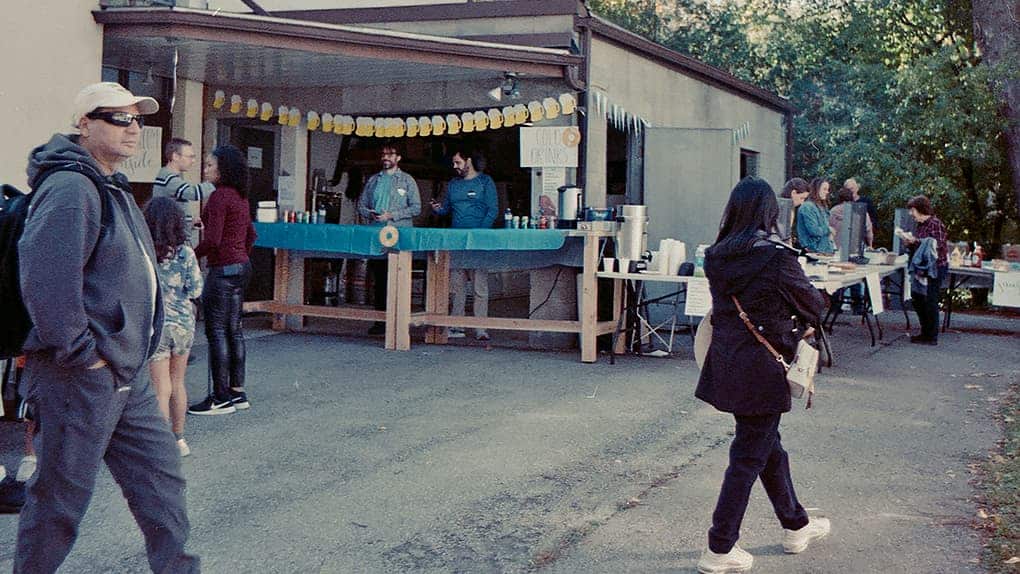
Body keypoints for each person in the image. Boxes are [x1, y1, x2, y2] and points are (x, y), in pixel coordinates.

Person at [16, 81, 199, 572]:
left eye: (137, 119)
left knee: (162, 484)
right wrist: (85, 355)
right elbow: (46, 284)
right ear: (84, 124)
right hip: (82, 376)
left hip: (126, 374)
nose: (133, 128)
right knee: (59, 505)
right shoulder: (71, 188)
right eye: (118, 118)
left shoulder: (108, 184)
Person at [694, 177, 830, 573]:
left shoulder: (715, 256)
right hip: (764, 367)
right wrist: (817, 298)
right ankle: (719, 548)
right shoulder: (776, 256)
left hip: (727, 363)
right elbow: (812, 305)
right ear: (769, 212)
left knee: (767, 446)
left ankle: (796, 525)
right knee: (749, 455)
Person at [188, 145, 256, 415]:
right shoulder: (240, 197)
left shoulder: (218, 197)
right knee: (234, 330)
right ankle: (237, 392)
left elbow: (213, 240)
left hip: (223, 268)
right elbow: (250, 235)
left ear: (222, 169)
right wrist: (239, 254)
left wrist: (191, 256)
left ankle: (219, 398)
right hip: (241, 266)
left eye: (209, 165)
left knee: (216, 331)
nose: (205, 170)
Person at [144, 197, 203, 453]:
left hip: (155, 325)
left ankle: (158, 446)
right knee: (177, 382)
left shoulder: (145, 251)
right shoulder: (186, 252)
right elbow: (196, 289)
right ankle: (179, 439)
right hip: (183, 324)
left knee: (160, 387)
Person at [430, 149, 498, 341]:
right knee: (457, 287)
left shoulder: (486, 182)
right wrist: (438, 209)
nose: (455, 166)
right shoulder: (453, 184)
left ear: (469, 161)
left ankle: (480, 328)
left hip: (479, 241)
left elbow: (492, 210)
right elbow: (446, 210)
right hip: (458, 241)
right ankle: (456, 326)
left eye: (457, 162)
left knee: (479, 287)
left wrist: (480, 234)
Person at [357, 142, 421, 335]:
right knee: (379, 278)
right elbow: (361, 205)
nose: (386, 157)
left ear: (398, 158)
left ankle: (400, 321)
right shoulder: (373, 180)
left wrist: (391, 215)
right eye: (384, 154)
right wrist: (372, 214)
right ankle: (380, 321)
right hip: (376, 236)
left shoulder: (407, 181)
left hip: (399, 236)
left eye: (390, 154)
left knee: (399, 279)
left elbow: (416, 208)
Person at [899, 195, 948, 345]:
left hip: (936, 267)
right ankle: (925, 331)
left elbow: (936, 245)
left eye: (912, 210)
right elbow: (921, 247)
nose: (911, 214)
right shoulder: (921, 225)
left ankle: (931, 336)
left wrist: (917, 241)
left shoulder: (935, 224)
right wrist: (909, 243)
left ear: (920, 209)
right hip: (923, 268)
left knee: (931, 300)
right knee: (918, 297)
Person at [796, 177, 835, 254]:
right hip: (813, 251)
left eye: (827, 189)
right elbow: (814, 231)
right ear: (816, 189)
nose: (827, 192)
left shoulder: (822, 207)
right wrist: (829, 229)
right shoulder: (807, 207)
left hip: (824, 251)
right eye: (824, 189)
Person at [778, 177, 810, 246]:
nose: (802, 202)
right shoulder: (782, 208)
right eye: (801, 198)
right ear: (793, 193)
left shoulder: (791, 208)